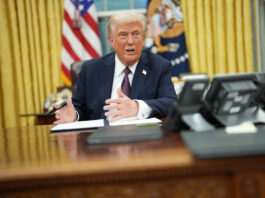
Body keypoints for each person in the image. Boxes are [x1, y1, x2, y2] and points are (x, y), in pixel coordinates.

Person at [54, 11, 177, 124]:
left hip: (143, 140)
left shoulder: (159, 66)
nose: (130, 41)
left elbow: (171, 103)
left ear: (143, 40)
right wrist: (75, 115)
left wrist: (138, 107)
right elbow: (79, 107)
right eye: (123, 35)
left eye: (136, 34)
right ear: (111, 41)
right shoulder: (90, 70)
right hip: (100, 140)